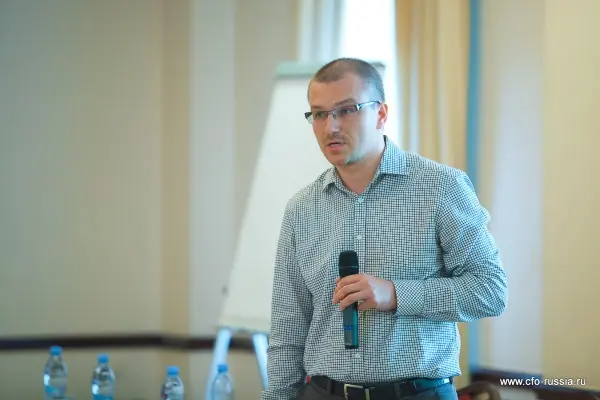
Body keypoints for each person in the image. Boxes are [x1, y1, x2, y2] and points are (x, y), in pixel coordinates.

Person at [260, 58, 508, 400]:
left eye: (346, 110)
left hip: (419, 394)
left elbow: (490, 290)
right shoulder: (301, 210)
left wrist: (395, 294)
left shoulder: (441, 187)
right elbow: (288, 329)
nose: (331, 126)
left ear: (380, 114)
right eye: (319, 114)